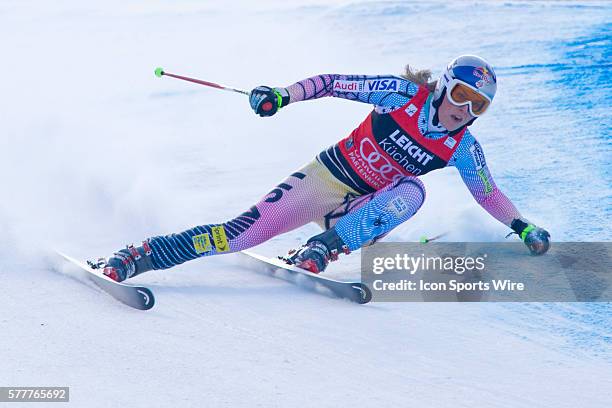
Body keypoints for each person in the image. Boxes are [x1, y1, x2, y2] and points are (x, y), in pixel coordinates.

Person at [95, 55, 551, 282]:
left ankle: (322, 248)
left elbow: (488, 193)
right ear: (444, 88)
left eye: (479, 106)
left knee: (412, 192)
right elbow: (333, 84)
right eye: (461, 97)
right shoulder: (399, 95)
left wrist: (523, 226)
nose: (465, 110)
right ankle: (140, 256)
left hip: (361, 213)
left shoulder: (463, 147)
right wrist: (282, 95)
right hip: (323, 181)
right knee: (239, 235)